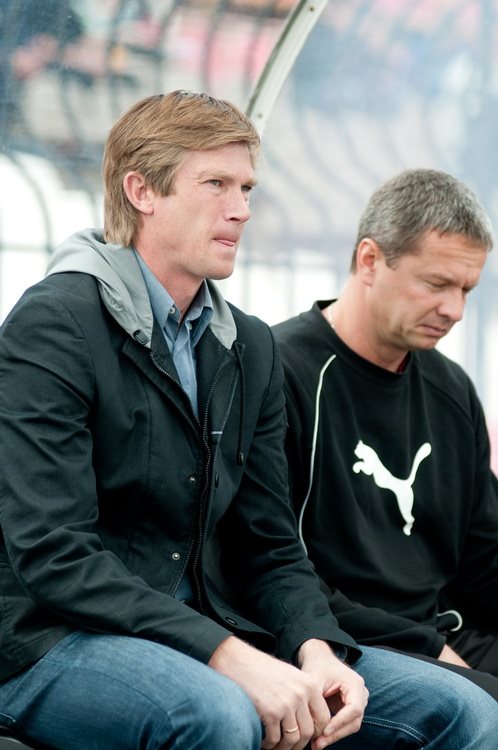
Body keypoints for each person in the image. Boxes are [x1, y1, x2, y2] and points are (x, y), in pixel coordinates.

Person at [0, 99, 497, 750]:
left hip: (212, 626)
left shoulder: (247, 346)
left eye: (247, 188)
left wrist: (316, 646)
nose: (242, 209)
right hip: (52, 634)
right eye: (216, 184)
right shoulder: (54, 324)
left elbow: (270, 546)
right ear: (141, 191)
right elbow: (54, 552)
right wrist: (226, 654)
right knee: (216, 715)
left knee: (464, 712)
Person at [273, 168, 498, 703]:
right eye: (436, 284)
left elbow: (484, 563)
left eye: (467, 289)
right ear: (370, 260)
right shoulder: (282, 374)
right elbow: (274, 568)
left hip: (444, 631)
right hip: (343, 644)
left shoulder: (451, 389)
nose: (455, 310)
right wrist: (431, 648)